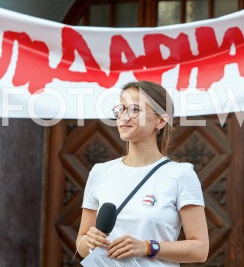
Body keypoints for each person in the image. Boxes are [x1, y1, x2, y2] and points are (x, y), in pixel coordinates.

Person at [75, 81, 209, 266]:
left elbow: (200, 250)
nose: (124, 117)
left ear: (161, 121)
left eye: (135, 109)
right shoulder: (100, 172)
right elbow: (81, 244)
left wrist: (148, 247)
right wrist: (89, 242)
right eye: (121, 109)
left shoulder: (181, 174)